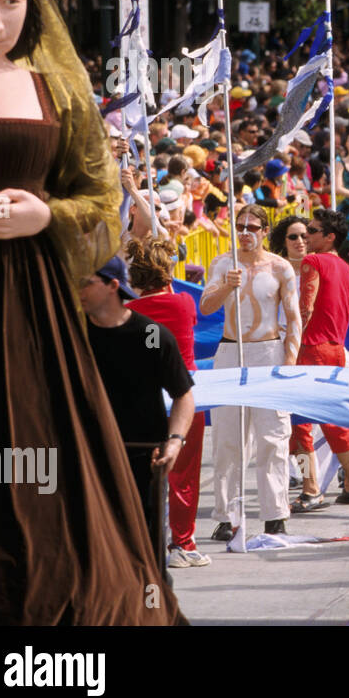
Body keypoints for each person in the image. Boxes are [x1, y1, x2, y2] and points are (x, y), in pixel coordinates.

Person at [0, 0, 182, 624]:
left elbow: (101, 197)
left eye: (12, 1)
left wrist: (45, 214)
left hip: (34, 308)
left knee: (47, 459)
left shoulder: (55, 88)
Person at [81, 255, 197, 564]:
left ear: (112, 286)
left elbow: (183, 395)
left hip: (143, 457)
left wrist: (175, 441)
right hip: (85, 456)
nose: (77, 290)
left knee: (143, 550)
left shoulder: (151, 335)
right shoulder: (72, 335)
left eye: (86, 282)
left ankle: (152, 605)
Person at [200, 204, 302, 538]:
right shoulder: (221, 264)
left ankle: (275, 515)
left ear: (263, 231)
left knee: (273, 436)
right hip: (230, 352)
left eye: (252, 227)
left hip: (268, 352)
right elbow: (206, 307)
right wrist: (226, 286)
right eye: (240, 226)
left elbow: (293, 316)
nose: (245, 233)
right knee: (228, 438)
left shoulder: (280, 267)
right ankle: (227, 516)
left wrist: (289, 362)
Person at [124, 236, 211, 568]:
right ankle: (183, 543)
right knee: (184, 475)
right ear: (168, 273)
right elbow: (184, 321)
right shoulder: (185, 303)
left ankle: (144, 544)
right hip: (184, 400)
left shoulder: (128, 311)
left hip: (142, 402)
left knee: (143, 474)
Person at [290, 209, 349, 509]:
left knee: (298, 422)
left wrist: (290, 344)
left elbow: (306, 309)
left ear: (329, 237)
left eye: (312, 231)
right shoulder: (348, 270)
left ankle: (311, 488)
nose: (305, 236)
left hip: (309, 350)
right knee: (337, 422)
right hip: (336, 352)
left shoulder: (312, 262)